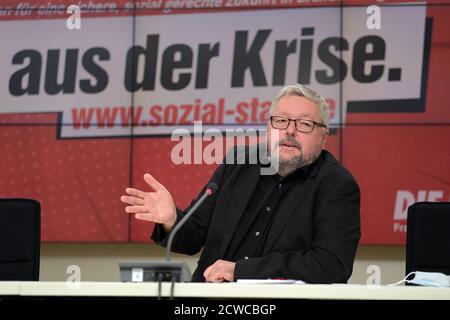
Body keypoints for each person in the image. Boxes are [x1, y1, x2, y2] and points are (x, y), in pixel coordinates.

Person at [121, 84, 361, 283]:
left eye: (304, 124)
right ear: (269, 127)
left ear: (323, 136)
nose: (290, 131)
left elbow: (332, 266)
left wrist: (240, 271)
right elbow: (193, 237)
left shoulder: (337, 185)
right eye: (281, 121)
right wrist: (171, 220)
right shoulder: (238, 164)